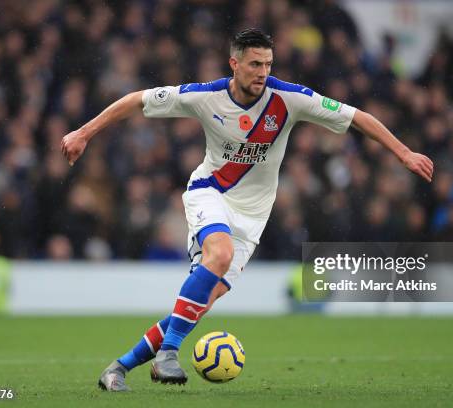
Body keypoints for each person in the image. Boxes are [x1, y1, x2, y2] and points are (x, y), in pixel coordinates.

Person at [61, 28, 434, 391]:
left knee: (196, 308)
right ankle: (169, 353)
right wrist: (83, 133)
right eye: (255, 64)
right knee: (218, 255)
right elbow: (137, 100)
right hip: (211, 192)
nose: (263, 72)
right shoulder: (205, 96)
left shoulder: (289, 99)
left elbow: (356, 117)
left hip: (254, 217)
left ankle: (118, 368)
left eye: (268, 64)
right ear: (234, 65)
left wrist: (404, 152)